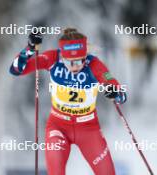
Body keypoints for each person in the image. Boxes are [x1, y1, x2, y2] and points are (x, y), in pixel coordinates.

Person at [9, 28, 127, 175]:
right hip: (58, 126)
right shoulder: (52, 58)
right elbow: (16, 70)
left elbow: (119, 92)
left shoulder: (94, 65)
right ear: (61, 56)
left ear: (85, 56)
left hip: (88, 128)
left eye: (79, 61)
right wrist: (30, 48)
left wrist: (115, 92)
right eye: (68, 61)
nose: (74, 67)